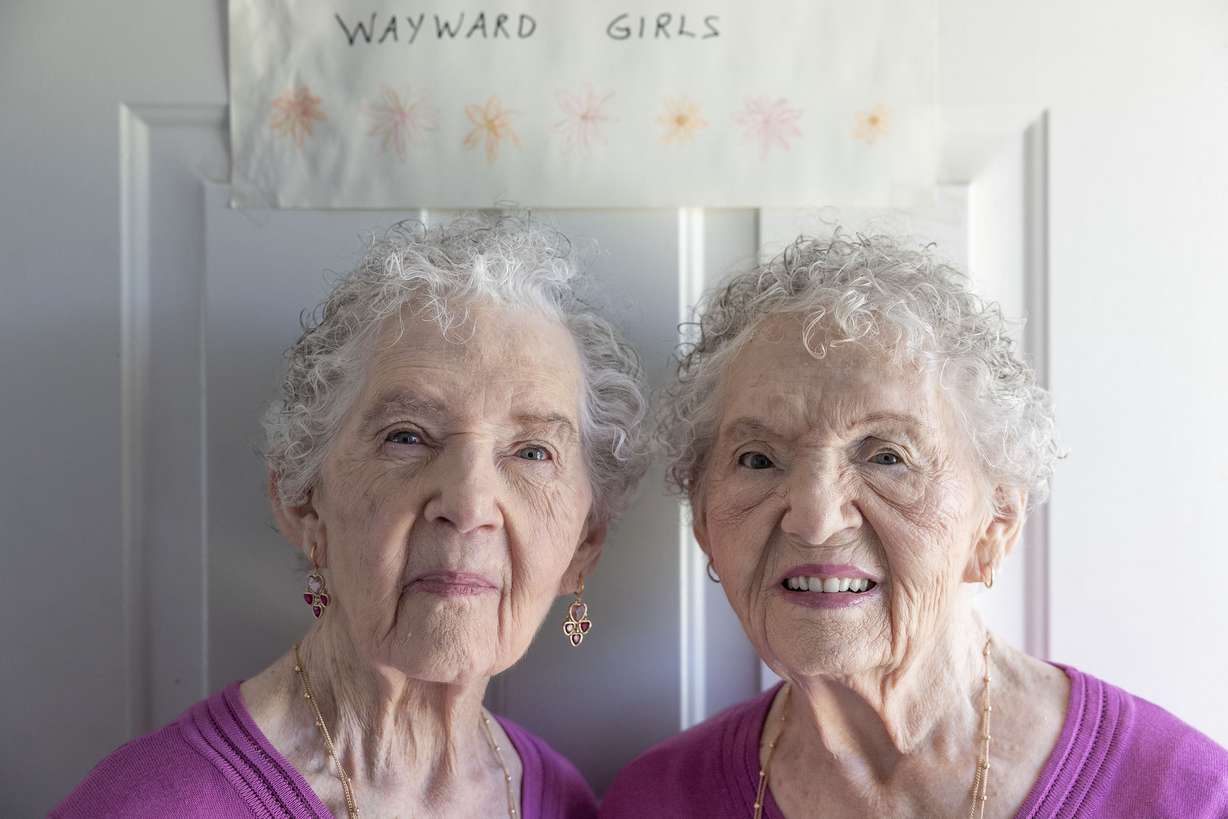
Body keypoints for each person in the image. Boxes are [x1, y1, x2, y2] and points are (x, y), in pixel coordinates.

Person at [601, 233, 1228, 818]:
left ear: (995, 524)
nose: (815, 520)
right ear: (705, 522)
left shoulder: (1187, 795)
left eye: (886, 457)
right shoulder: (654, 801)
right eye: (758, 459)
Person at [54, 215, 649, 818]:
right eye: (406, 437)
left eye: (532, 453)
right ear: (302, 502)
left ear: (585, 544)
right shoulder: (152, 804)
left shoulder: (564, 801)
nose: (469, 508)